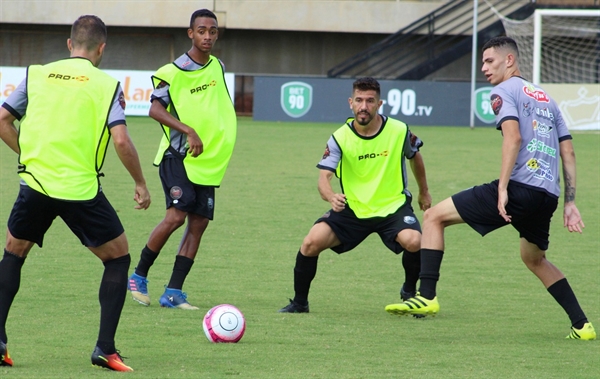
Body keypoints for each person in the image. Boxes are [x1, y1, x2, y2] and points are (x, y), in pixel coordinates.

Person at [385, 36, 596, 340]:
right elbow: (569, 153)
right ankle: (582, 325)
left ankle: (427, 296)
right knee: (534, 259)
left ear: (509, 60)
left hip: (520, 188)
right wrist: (570, 202)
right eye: (482, 62)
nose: (484, 68)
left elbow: (514, 138)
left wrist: (502, 188)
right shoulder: (547, 100)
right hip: (547, 195)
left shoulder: (502, 91)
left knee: (433, 217)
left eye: (489, 61)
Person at [0, 15, 151, 371]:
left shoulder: (37, 73)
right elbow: (121, 139)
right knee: (117, 258)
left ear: (69, 45)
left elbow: (3, 120)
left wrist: (29, 155)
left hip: (35, 183)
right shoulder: (106, 85)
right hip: (80, 189)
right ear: (101, 49)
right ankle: (105, 348)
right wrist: (141, 183)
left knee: (13, 253)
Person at [278, 77, 431, 314]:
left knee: (415, 242)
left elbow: (415, 157)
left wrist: (424, 192)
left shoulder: (399, 130)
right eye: (359, 100)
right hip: (353, 208)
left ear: (379, 103)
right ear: (351, 103)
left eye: (370, 101)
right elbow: (323, 178)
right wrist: (331, 196)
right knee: (310, 243)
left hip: (392, 206)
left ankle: (409, 293)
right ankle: (300, 303)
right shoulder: (340, 137)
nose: (364, 106)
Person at [127, 9, 237, 310]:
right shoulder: (171, 71)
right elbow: (155, 110)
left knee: (198, 223)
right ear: (191, 33)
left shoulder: (217, 66)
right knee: (176, 216)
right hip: (177, 155)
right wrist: (188, 130)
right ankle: (138, 275)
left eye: (212, 31)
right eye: (201, 30)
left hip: (207, 162)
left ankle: (173, 292)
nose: (207, 36)